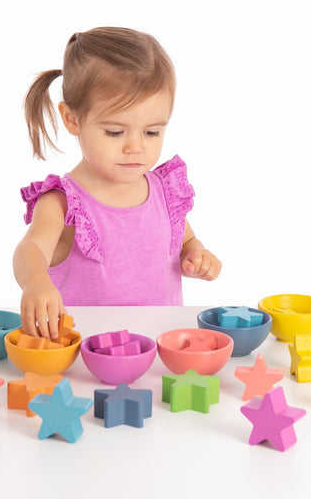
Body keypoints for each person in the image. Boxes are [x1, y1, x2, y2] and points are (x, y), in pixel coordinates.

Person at [13, 27, 221, 339]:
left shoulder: (165, 192)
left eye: (151, 132)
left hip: (159, 351)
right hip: (86, 359)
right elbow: (31, 249)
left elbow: (185, 242)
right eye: (114, 132)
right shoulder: (62, 201)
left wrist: (197, 254)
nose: (135, 147)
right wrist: (35, 282)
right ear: (72, 119)